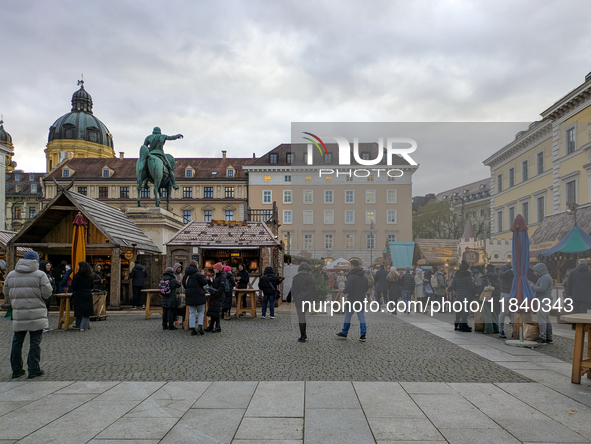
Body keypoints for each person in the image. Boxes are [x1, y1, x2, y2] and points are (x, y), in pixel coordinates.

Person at [4, 250, 53, 379]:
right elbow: (47, 293)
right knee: (35, 342)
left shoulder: (11, 275)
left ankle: (16, 369)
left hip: (19, 313)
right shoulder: (40, 275)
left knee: (17, 342)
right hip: (36, 313)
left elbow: (6, 293)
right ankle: (33, 368)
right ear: (36, 260)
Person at [335, 259, 368, 341]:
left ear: (352, 266)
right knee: (361, 317)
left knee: (347, 316)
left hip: (352, 299)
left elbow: (349, 288)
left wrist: (344, 290)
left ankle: (344, 333)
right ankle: (363, 334)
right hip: (361, 299)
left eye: (350, 265)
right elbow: (366, 288)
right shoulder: (364, 276)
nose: (349, 267)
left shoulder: (352, 276)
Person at [288, 263, 316, 342]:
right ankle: (304, 334)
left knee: (301, 317)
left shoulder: (296, 278)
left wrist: (288, 299)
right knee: (302, 316)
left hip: (299, 299)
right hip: (308, 299)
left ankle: (303, 336)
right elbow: (314, 290)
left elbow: (293, 289)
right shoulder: (311, 278)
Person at [449, 260, 478, 332]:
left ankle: (456, 325)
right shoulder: (467, 275)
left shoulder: (456, 275)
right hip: (467, 295)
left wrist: (458, 290)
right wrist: (474, 288)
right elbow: (471, 287)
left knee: (458, 310)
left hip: (459, 295)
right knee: (465, 311)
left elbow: (454, 286)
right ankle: (463, 325)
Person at [183, 260, 208, 336]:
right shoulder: (198, 275)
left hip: (190, 296)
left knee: (192, 312)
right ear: (196, 265)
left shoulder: (186, 276)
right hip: (199, 295)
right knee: (201, 311)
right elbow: (205, 284)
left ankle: (192, 328)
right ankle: (200, 326)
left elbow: (184, 285)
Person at [532, 262, 553, 344]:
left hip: (543, 300)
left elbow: (542, 289)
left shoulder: (545, 278)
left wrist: (533, 286)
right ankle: (549, 337)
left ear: (540, 270)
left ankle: (542, 338)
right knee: (547, 319)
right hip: (546, 300)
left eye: (536, 271)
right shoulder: (546, 277)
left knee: (542, 319)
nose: (535, 273)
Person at [71, 261, 94, 332]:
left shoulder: (77, 276)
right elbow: (91, 286)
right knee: (86, 312)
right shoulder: (90, 276)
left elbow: (73, 286)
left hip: (79, 294)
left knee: (78, 310)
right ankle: (83, 326)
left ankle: (78, 325)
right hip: (87, 294)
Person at [480, 264, 501, 334]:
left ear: (487, 269)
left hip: (487, 296)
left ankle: (488, 328)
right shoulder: (496, 276)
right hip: (495, 296)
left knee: (487, 312)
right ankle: (496, 328)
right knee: (493, 312)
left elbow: (482, 286)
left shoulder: (486, 276)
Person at [205, 262, 226, 332]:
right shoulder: (216, 276)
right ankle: (211, 326)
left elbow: (222, 287)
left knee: (216, 311)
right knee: (213, 311)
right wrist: (208, 281)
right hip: (214, 295)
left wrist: (217, 293)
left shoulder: (222, 276)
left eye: (215, 269)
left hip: (218, 296)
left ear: (218, 269)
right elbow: (213, 285)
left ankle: (218, 326)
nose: (213, 270)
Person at [39, 260, 56, 333]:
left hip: (48, 295)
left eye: (50, 265)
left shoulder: (48, 274)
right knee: (43, 311)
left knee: (46, 310)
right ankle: (42, 326)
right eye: (48, 266)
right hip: (43, 295)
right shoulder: (42, 275)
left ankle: (44, 326)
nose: (49, 267)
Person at [498, 263, 514, 339]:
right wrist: (510, 271)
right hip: (505, 292)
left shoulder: (519, 268)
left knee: (513, 312)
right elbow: (501, 275)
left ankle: (515, 330)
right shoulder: (504, 267)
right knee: (503, 312)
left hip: (514, 292)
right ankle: (501, 330)